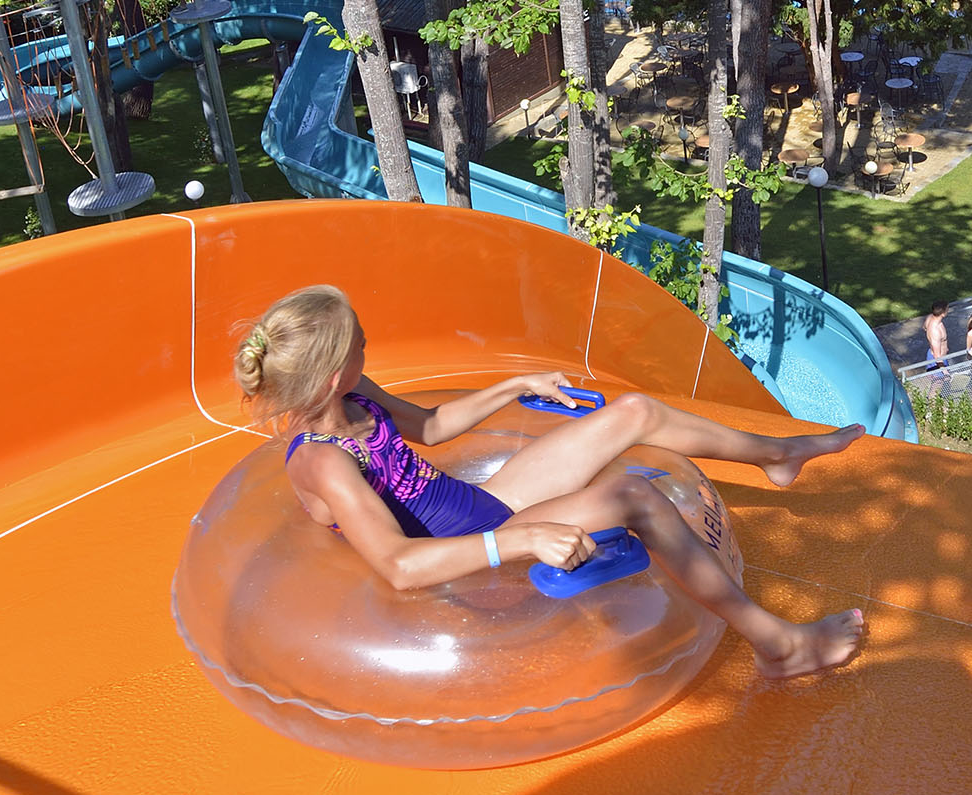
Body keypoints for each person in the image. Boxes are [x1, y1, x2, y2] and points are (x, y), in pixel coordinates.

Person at [238, 286, 868, 680]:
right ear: (327, 379)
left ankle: (776, 455)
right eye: (359, 345)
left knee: (633, 413)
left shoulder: (356, 396)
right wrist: (524, 540)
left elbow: (430, 427)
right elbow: (401, 566)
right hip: (472, 563)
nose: (368, 347)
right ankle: (778, 645)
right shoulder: (321, 461)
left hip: (485, 507)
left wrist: (515, 385)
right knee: (636, 495)